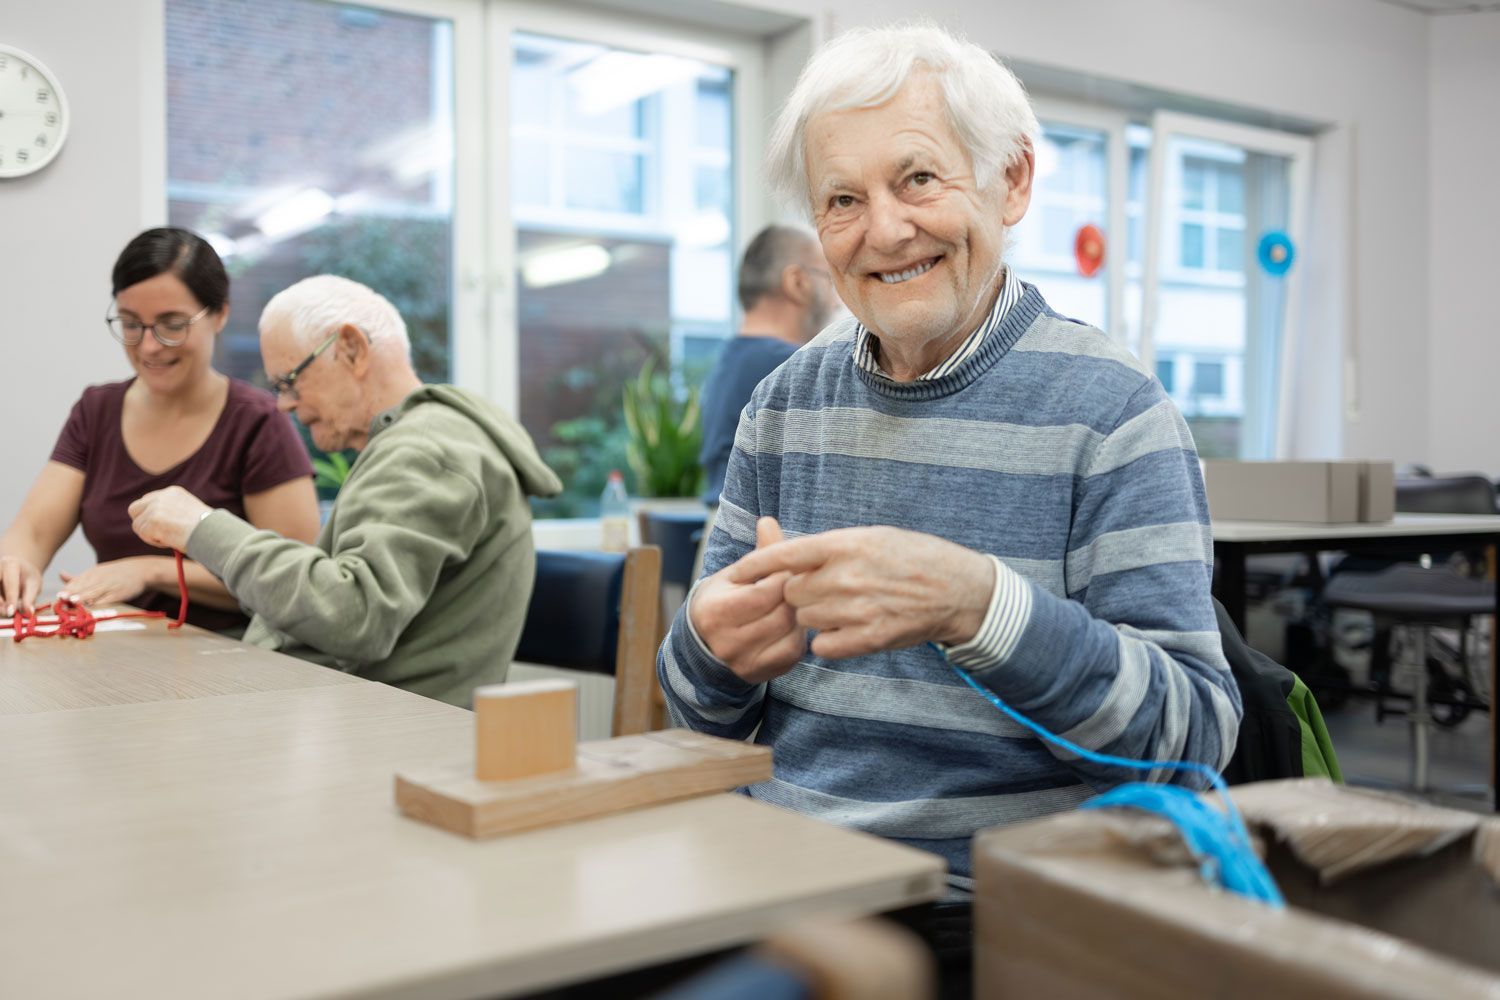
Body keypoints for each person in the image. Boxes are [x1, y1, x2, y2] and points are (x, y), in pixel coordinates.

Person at [657, 24, 1241, 989]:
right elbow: (692, 714)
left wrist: (980, 607)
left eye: (918, 179)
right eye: (843, 199)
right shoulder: (785, 403)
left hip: (994, 917)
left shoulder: (1116, 414)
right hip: (776, 886)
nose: (884, 230)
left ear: (1011, 184)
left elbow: (1193, 745)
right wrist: (710, 653)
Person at [127, 275, 563, 708]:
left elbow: (355, 616)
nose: (284, 405)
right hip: (361, 719)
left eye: (289, 380)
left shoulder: (427, 451)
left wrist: (202, 527)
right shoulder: (419, 442)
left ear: (352, 349)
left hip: (391, 737)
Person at [0, 228, 320, 632]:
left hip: (234, 661)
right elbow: (32, 532)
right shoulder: (96, 411)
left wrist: (150, 571)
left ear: (220, 314)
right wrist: (16, 567)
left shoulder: (258, 423)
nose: (149, 346)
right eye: (131, 325)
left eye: (172, 325)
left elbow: (294, 579)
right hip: (118, 655)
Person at [698, 225, 840, 506]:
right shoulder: (791, 367)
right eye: (830, 281)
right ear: (797, 282)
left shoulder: (729, 361)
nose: (837, 303)